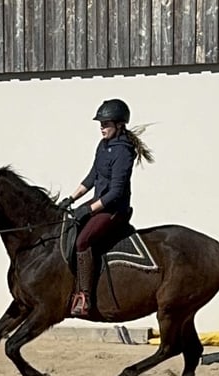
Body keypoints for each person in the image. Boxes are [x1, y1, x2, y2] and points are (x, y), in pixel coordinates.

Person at [58, 98, 154, 317]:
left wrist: (89, 210)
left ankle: (85, 297)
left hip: (114, 210)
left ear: (119, 124)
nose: (102, 127)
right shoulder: (103, 145)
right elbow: (92, 177)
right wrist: (71, 199)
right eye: (100, 123)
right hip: (99, 204)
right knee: (69, 225)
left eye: (106, 123)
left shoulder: (124, 151)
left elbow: (115, 193)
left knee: (83, 241)